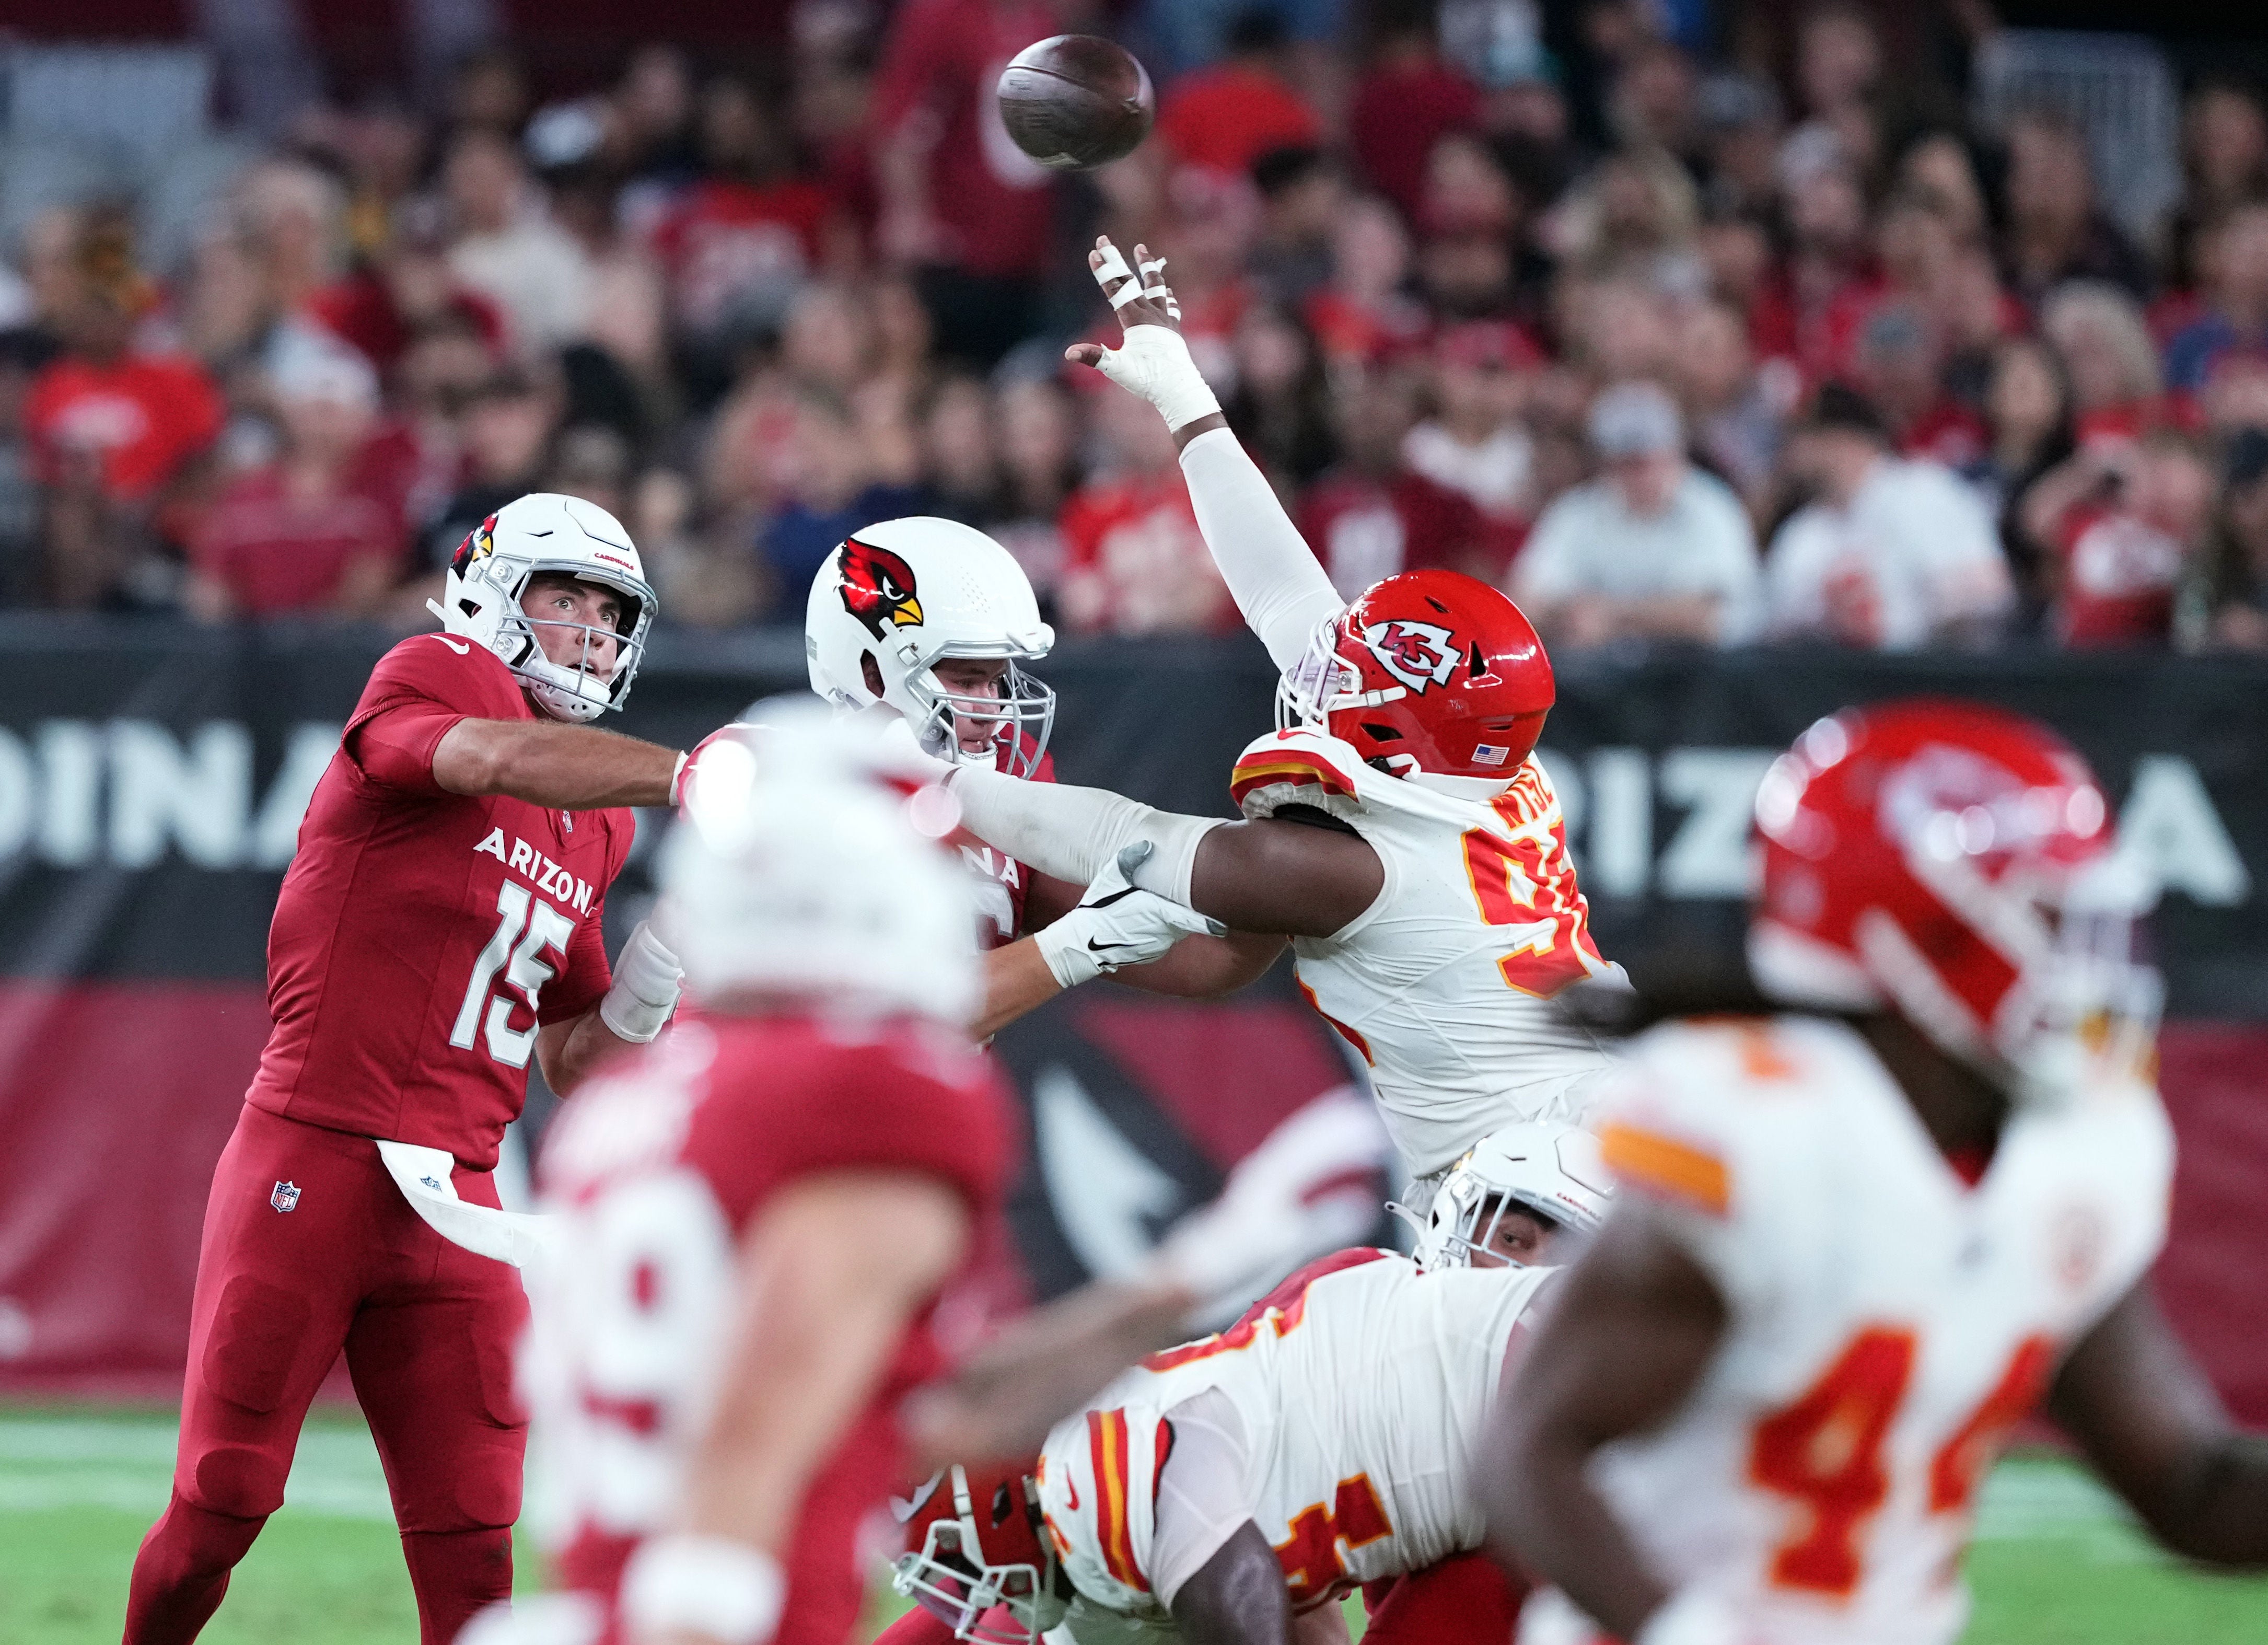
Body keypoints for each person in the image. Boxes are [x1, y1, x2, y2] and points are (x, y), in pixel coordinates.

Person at [487, 711, 1392, 1645]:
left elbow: (912, 1411)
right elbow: (758, 1420)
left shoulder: (631, 1101)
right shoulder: (871, 1087)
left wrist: (1197, 1273)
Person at [1484, 700, 2268, 1645]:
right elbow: (1527, 1454)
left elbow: (2186, 1478)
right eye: (2048, 919)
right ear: (1917, 939)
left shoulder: (2069, 1154)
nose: (2084, 959)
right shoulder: (1765, 1134)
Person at [917, 234, 1622, 1196]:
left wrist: (924, 776)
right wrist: (1186, 403)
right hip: (1592, 1130)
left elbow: (1126, 836)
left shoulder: (1342, 867)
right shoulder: (1468, 759)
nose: (1324, 658)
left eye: (1351, 669)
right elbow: (1286, 595)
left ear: (1391, 734)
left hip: (1539, 1183)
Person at [123, 493, 702, 1645]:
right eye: (563, 597)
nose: (590, 629)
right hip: (316, 1154)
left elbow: (578, 1060)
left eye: (608, 610)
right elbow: (490, 754)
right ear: (495, 592)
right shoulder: (439, 672)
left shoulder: (597, 824)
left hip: (462, 1200)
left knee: (476, 1547)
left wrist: (669, 956)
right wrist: (688, 773)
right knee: (222, 1502)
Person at [880, 1120, 1613, 1645]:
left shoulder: (1093, 1484)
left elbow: (1232, 1571)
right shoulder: (1329, 1341)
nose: (966, 1587)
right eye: (1516, 1238)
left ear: (1002, 1494)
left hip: (1561, 1424)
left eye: (950, 1556)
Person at [804, 515, 1283, 1040]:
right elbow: (890, 1017)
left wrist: (1295, 866)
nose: (991, 710)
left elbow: (1206, 961)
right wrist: (1074, 946)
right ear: (870, 673)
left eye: (995, 680)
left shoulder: (1001, 770)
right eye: (966, 679)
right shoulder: (790, 783)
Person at [1510, 380, 1760, 648]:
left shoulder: (1712, 507)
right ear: (1605, 462)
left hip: (1697, 674)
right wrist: (1565, 615)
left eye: (1647, 461)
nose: (1639, 475)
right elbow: (1524, 602)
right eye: (1625, 463)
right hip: (1600, 677)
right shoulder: (1576, 512)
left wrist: (1613, 616)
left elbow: (1709, 619)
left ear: (1674, 452)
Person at [1762, 384, 2013, 649]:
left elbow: (1989, 597)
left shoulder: (1922, 491)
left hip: (1922, 678)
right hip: (1832, 684)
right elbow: (1771, 639)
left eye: (1802, 437)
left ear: (1842, 438)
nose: (1792, 453)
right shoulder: (1801, 532)